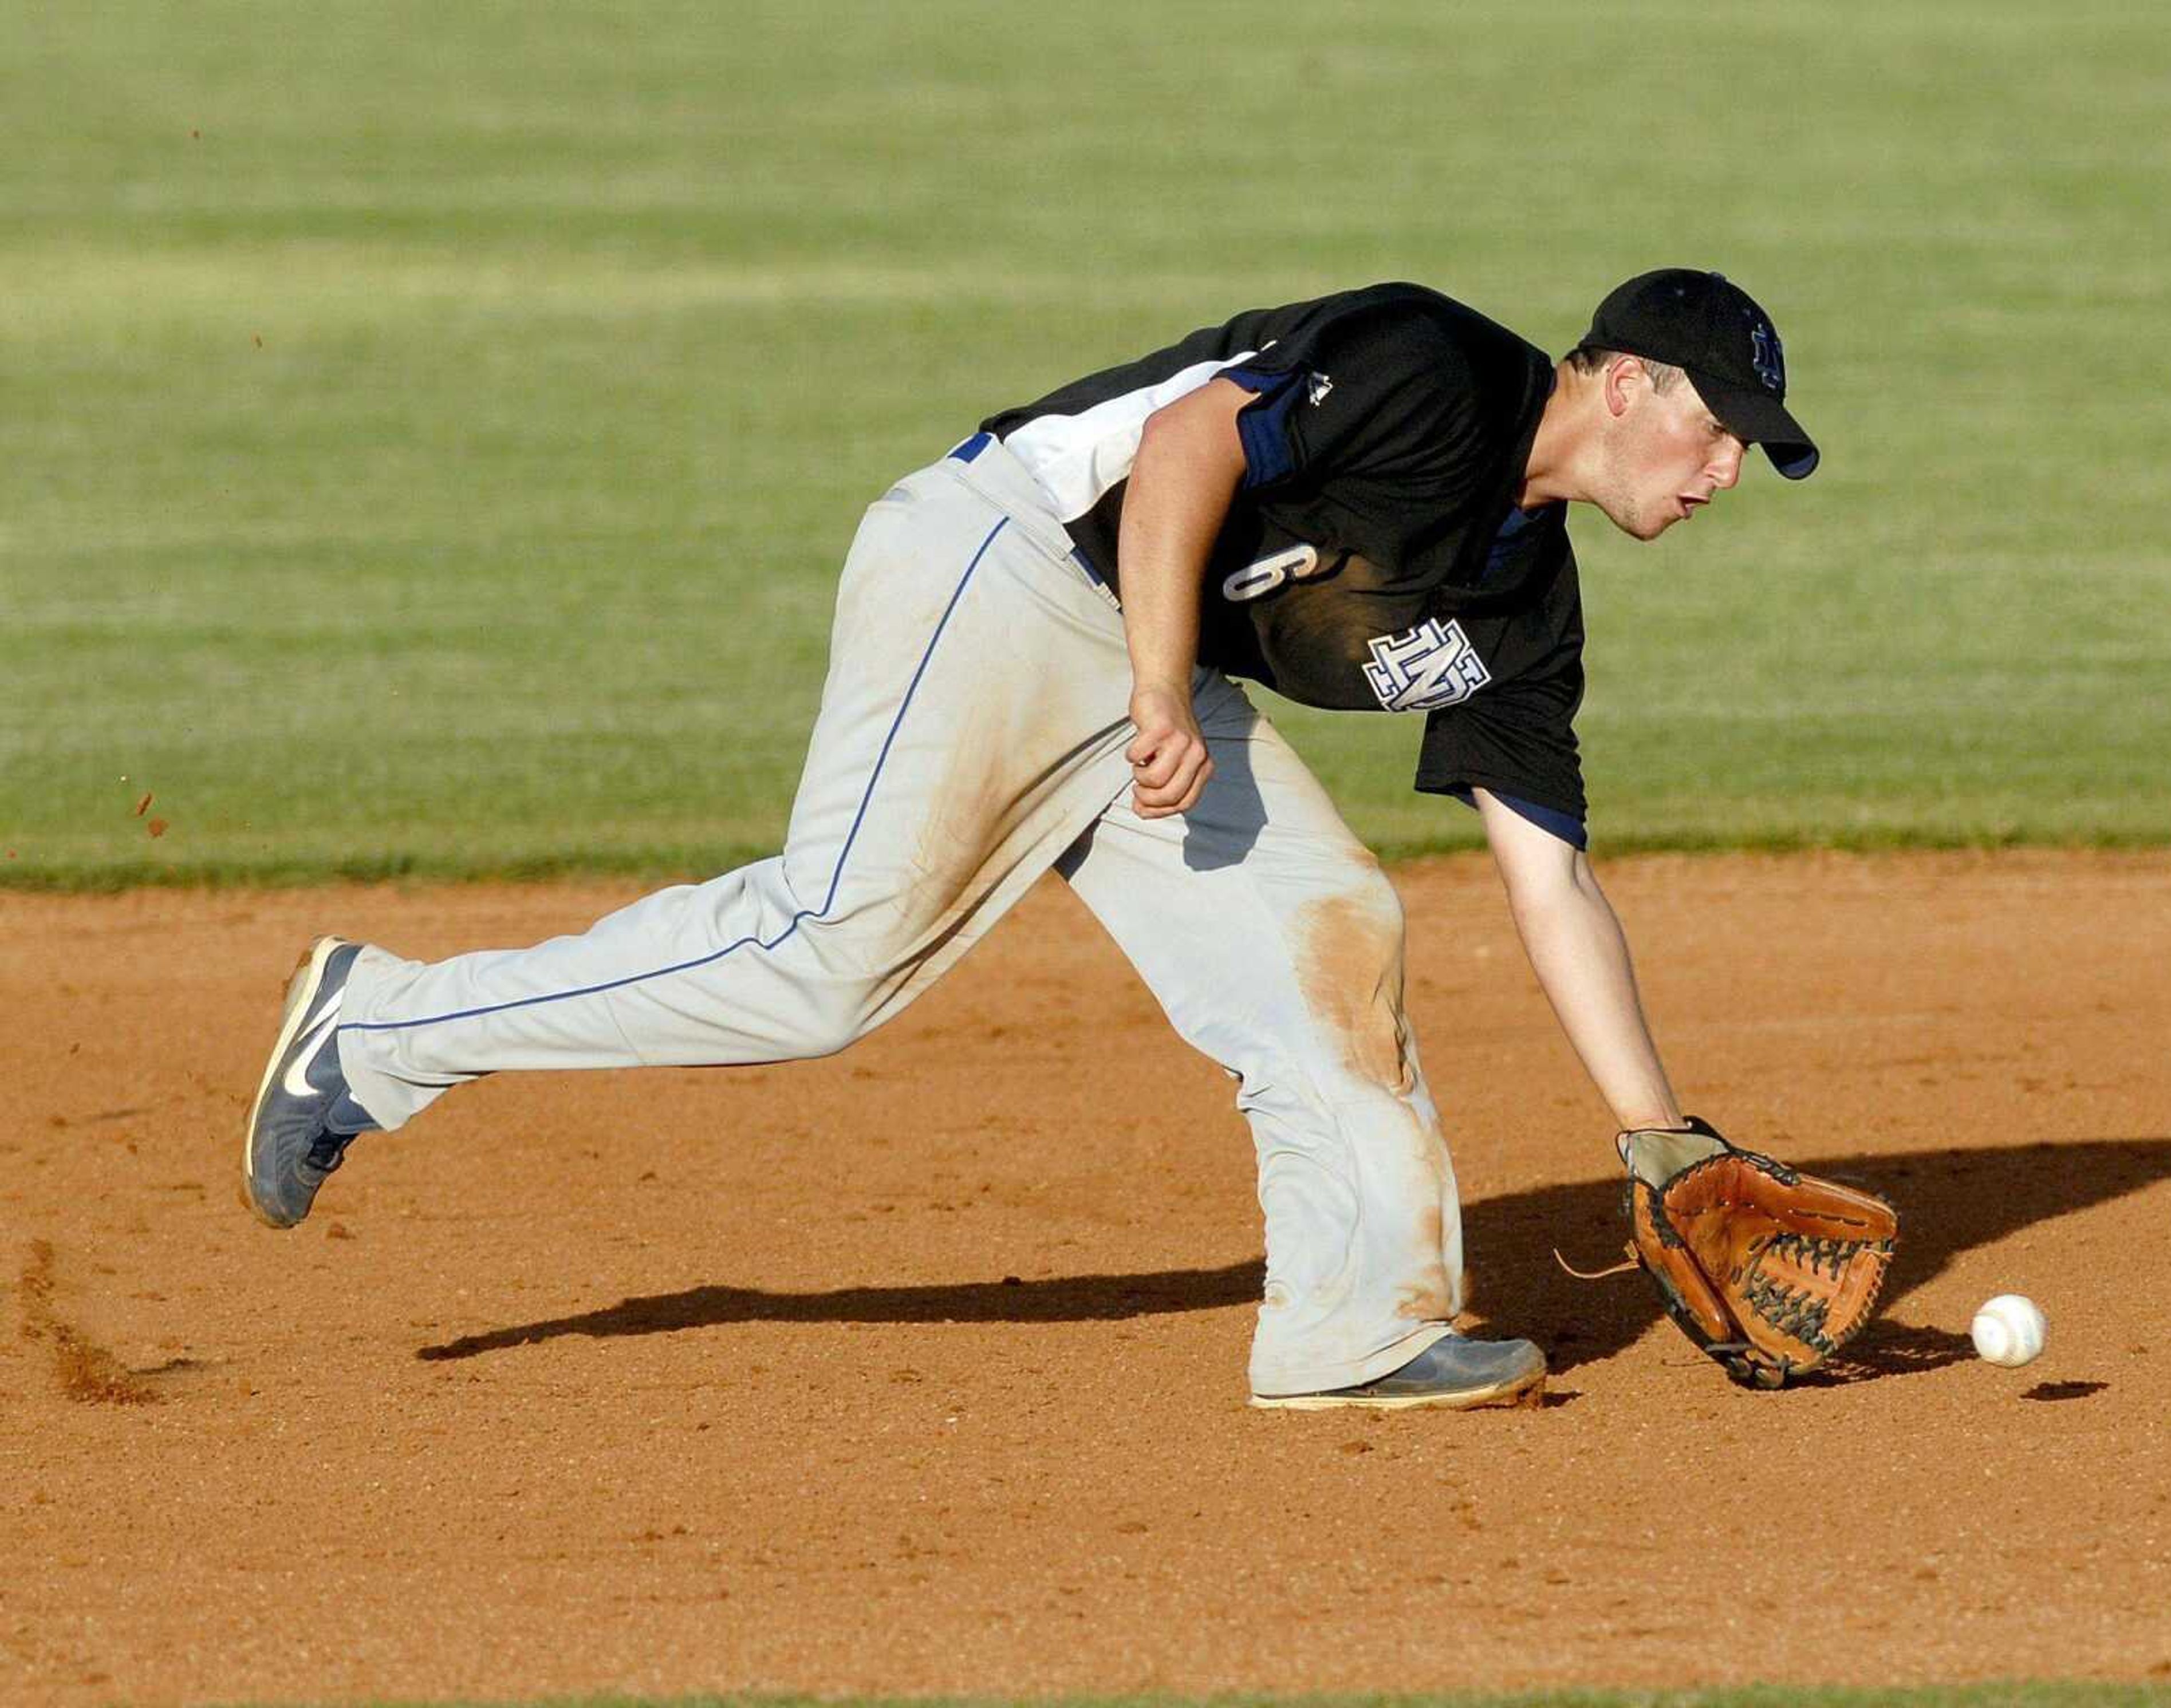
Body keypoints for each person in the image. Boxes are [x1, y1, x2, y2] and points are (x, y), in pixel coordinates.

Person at [244, 269, 1818, 1412]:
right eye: (1720, 429)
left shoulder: (1524, 607)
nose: (1727, 469)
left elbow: (1546, 872)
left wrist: (1658, 1132)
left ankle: (1355, 1329)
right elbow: (1193, 451)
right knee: (823, 967)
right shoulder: (1438, 368)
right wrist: (1154, 686)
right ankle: (379, 1028)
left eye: (1750, 447)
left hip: (1143, 681)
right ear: (1626, 386)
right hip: (1003, 572)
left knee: (1331, 933)